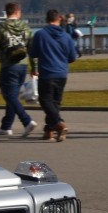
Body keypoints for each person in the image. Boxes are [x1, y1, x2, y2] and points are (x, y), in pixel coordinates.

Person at [0, 2, 37, 137]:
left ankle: (27, 121)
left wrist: (2, 46)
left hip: (9, 64)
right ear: (18, 12)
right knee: (12, 94)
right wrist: (34, 67)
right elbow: (32, 49)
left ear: (7, 13)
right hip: (23, 65)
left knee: (9, 95)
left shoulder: (2, 27)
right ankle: (6, 126)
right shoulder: (26, 27)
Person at [29, 8, 80, 141]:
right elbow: (72, 57)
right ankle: (49, 130)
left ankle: (59, 124)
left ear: (46, 20)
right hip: (62, 73)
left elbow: (33, 53)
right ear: (59, 19)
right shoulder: (66, 36)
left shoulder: (40, 34)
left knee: (45, 100)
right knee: (55, 103)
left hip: (47, 72)